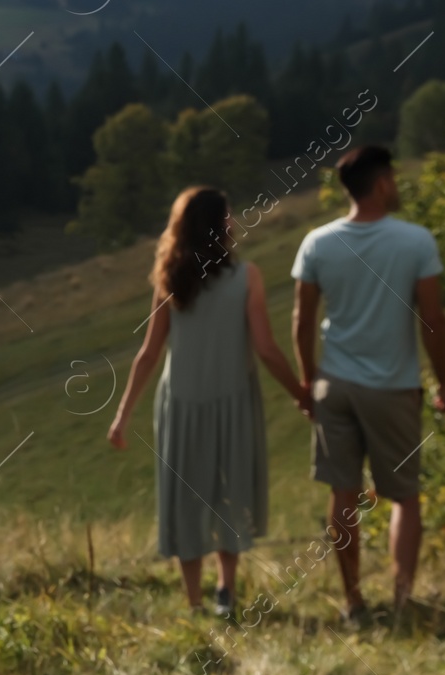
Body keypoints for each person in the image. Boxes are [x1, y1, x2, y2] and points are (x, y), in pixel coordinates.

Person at [109, 187, 311, 616]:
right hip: (232, 401)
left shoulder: (169, 279)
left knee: (186, 498)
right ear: (219, 226)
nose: (234, 223)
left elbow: (149, 353)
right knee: (229, 489)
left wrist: (122, 417)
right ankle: (227, 589)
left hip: (180, 404)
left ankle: (196, 600)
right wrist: (302, 395)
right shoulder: (247, 277)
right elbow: (267, 349)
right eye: (228, 217)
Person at [290, 144, 445, 623]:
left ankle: (354, 601)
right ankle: (403, 600)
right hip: (392, 387)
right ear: (381, 183)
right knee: (404, 494)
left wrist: (307, 380)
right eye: (393, 179)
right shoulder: (415, 241)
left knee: (343, 492)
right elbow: (434, 321)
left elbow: (302, 320)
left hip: (334, 384)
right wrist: (444, 383)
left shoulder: (317, 242)